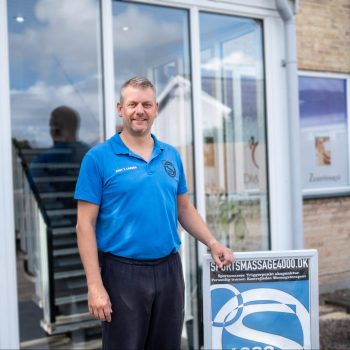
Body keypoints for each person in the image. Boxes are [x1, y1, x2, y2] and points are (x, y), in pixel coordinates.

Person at [74, 77, 234, 350]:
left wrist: (212, 242)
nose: (140, 110)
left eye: (146, 104)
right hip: (122, 273)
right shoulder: (98, 158)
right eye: (133, 104)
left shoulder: (170, 155)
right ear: (120, 108)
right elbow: (84, 225)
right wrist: (94, 285)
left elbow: (184, 207)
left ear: (156, 108)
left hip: (170, 270)